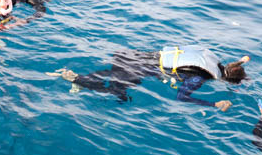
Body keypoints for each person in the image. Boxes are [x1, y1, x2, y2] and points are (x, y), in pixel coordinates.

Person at [48, 45, 249, 111]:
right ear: (226, 81)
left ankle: (80, 81)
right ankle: (75, 79)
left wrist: (241, 62)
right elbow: (181, 98)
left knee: (116, 75)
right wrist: (214, 104)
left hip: (135, 55)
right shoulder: (201, 78)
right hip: (139, 66)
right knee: (118, 93)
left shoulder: (210, 57)